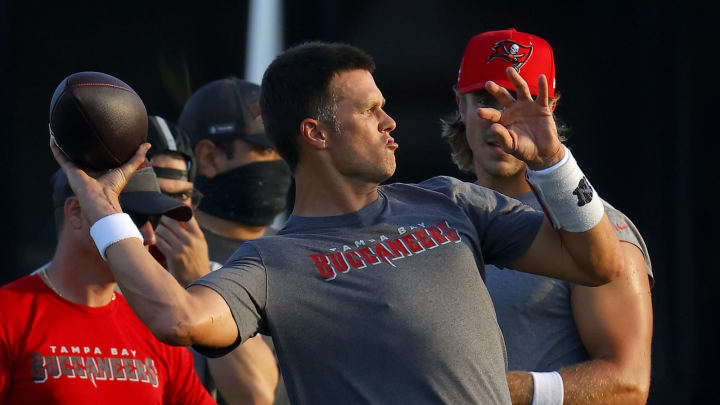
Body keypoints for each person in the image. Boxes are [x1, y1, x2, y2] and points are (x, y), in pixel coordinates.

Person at [50, 41, 625, 404]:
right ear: (316, 134)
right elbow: (176, 318)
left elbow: (595, 262)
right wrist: (102, 208)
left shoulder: (450, 201)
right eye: (370, 110)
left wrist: (553, 161)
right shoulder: (270, 265)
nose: (391, 121)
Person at [441, 28, 653, 405]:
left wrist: (493, 392)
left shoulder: (596, 229)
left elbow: (628, 384)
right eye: (485, 99)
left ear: (549, 106)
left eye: (517, 100)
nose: (500, 119)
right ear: (460, 105)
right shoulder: (435, 218)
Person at [0, 163, 214, 405]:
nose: (149, 236)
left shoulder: (155, 324)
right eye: (130, 218)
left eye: (153, 220)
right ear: (76, 212)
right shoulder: (8, 315)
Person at [146, 114, 279, 405]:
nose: (167, 212)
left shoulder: (214, 278)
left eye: (181, 196)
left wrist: (199, 279)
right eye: (152, 195)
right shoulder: (93, 282)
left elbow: (256, 396)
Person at [176, 79, 293, 405]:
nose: (279, 163)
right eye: (264, 149)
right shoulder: (166, 254)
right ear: (209, 158)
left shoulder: (300, 250)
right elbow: (254, 396)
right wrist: (200, 281)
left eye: (282, 149)